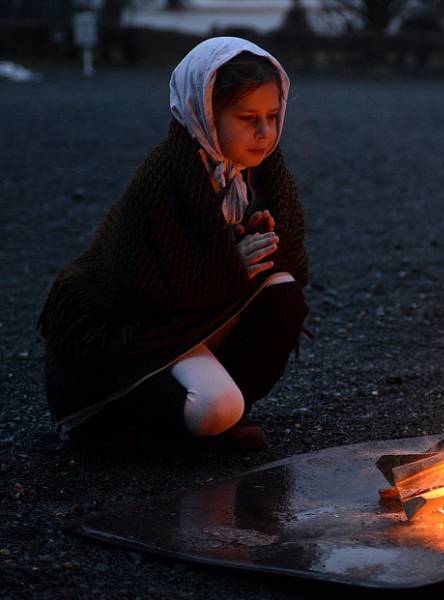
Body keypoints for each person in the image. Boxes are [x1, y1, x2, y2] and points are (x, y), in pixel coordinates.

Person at [37, 37, 309, 452]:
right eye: (246, 117)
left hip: (196, 320)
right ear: (204, 113)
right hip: (133, 337)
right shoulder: (165, 176)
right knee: (215, 406)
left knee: (284, 292)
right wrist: (229, 263)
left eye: (272, 116)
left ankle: (224, 415)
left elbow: (293, 260)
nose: (264, 132)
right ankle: (160, 428)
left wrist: (253, 238)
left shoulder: (265, 173)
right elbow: (141, 293)